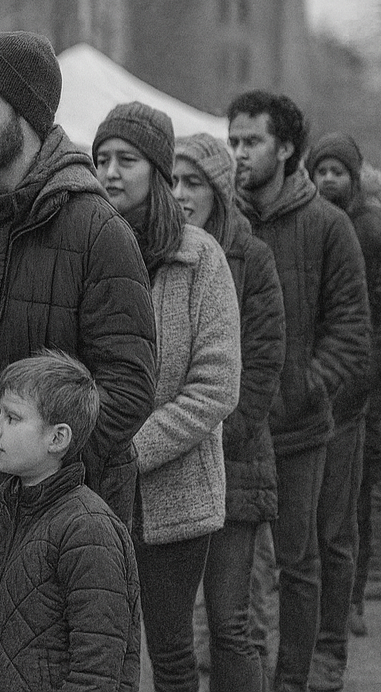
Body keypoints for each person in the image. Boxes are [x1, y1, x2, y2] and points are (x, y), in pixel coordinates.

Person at [0, 31, 156, 526]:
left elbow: (127, 386)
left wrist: (46, 473)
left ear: (26, 111)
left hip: (61, 516)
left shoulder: (98, 230)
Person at [92, 104, 241, 692]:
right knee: (108, 651)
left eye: (126, 160)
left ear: (156, 170)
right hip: (97, 485)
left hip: (175, 498)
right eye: (101, 159)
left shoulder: (199, 256)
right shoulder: (89, 247)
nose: (110, 173)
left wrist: (131, 450)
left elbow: (216, 386)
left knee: (172, 653)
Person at [228, 91, 371, 692]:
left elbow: (351, 333)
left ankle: (304, 674)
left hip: (302, 424)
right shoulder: (222, 220)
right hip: (231, 426)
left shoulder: (330, 227)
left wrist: (304, 390)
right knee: (237, 572)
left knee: (301, 559)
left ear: (287, 148)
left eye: (252, 141)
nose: (238, 154)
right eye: (233, 141)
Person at [174, 132, 287, 692]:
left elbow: (263, 366)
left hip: (236, 463)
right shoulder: (162, 252)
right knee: (172, 631)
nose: (180, 194)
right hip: (174, 461)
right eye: (173, 181)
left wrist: (210, 434)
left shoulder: (251, 256)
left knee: (229, 621)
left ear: (218, 190)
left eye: (192, 182)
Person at [0, 351, 141, 692]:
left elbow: (97, 673)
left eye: (12, 418)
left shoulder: (89, 530)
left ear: (58, 438)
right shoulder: (7, 509)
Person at [304, 132, 381, 683]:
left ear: (354, 178)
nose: (329, 178)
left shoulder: (370, 230)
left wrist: (356, 384)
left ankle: (344, 611)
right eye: (322, 169)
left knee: (343, 513)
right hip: (309, 393)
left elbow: (365, 324)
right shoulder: (307, 226)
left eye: (339, 170)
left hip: (354, 392)